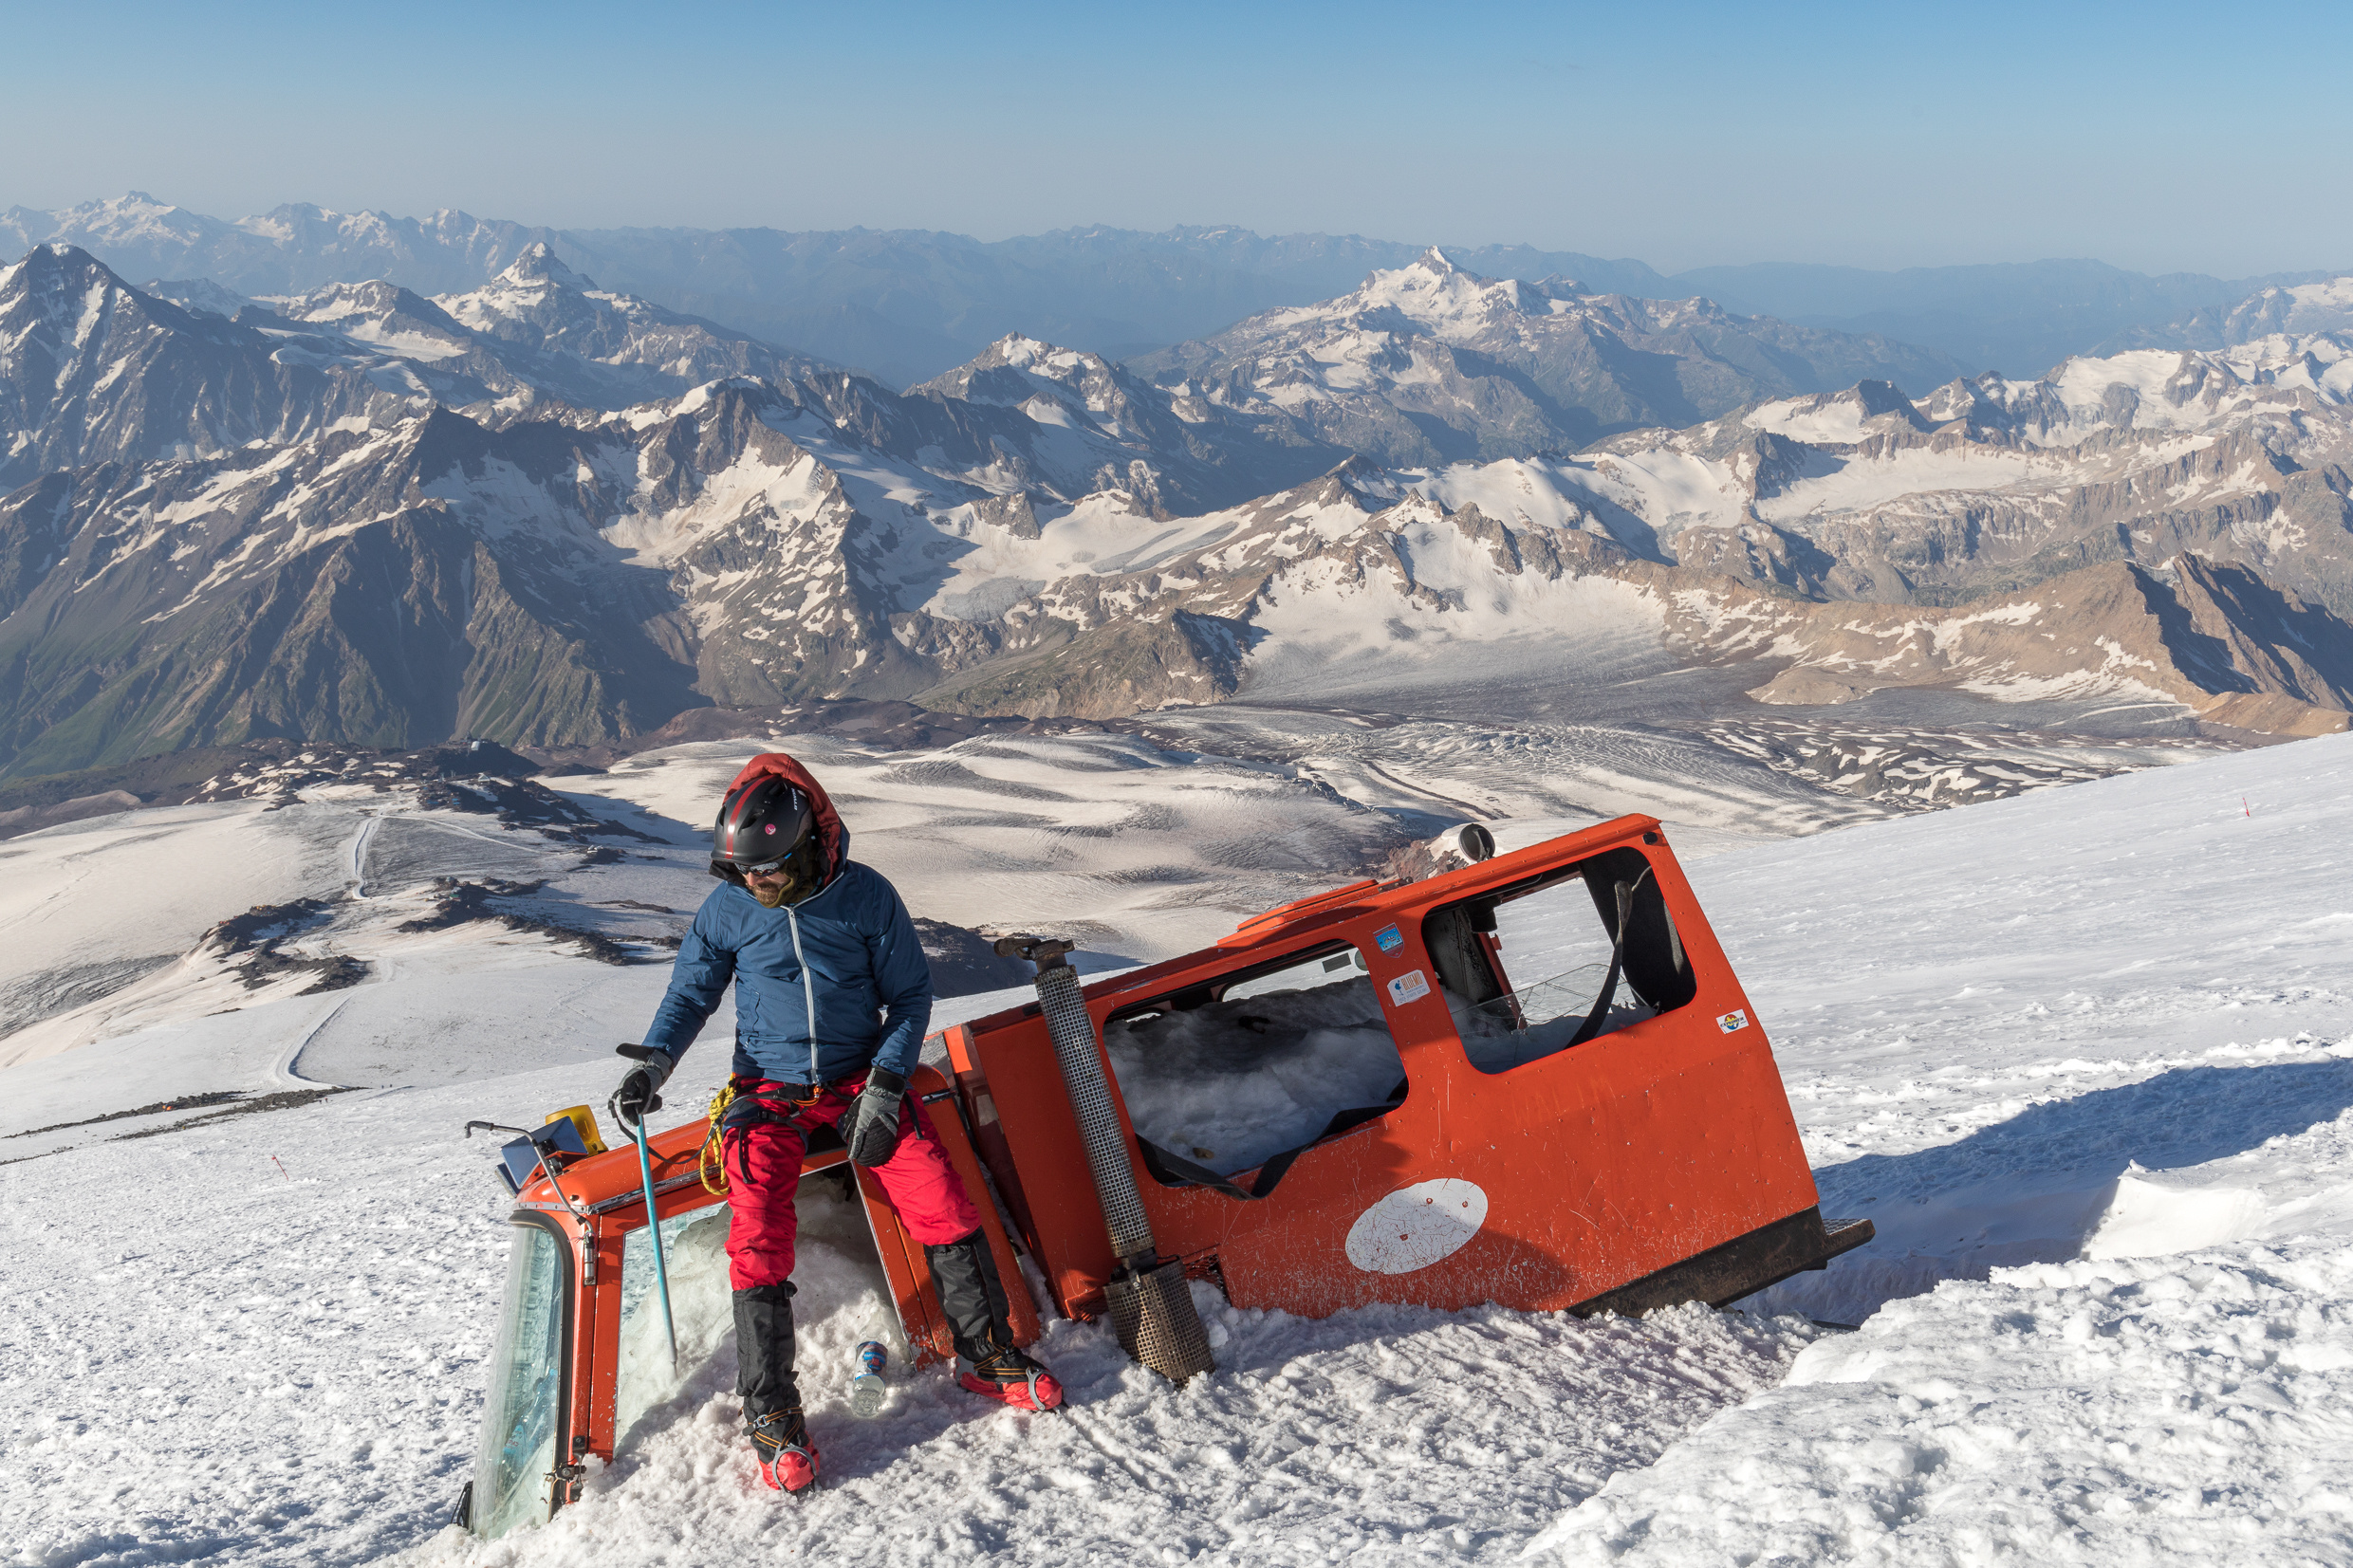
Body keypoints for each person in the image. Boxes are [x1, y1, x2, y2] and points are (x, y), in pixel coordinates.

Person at [609, 751, 1063, 1495]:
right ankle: (774, 1416)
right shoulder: (729, 909)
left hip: (860, 1077)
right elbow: (693, 990)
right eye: (741, 872)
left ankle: (987, 1357)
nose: (752, 884)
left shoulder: (867, 898)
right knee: (756, 1230)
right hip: (769, 1088)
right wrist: (653, 1063)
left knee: (939, 1197)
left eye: (765, 870)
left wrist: (885, 1085)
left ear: (805, 847)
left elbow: (911, 999)